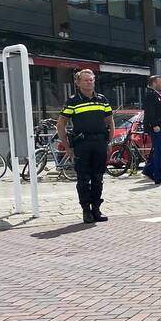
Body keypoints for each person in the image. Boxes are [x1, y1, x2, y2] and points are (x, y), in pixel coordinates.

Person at [57, 69, 114, 224]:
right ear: (78, 83)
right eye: (86, 80)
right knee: (83, 179)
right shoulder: (73, 101)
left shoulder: (102, 99)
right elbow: (61, 124)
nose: (90, 82)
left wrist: (109, 141)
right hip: (82, 144)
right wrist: (67, 147)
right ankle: (86, 211)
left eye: (91, 79)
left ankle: (96, 209)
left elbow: (110, 120)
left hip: (100, 143)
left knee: (98, 177)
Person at [141, 75, 161, 185]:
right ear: (154, 83)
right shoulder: (150, 95)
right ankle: (159, 176)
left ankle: (149, 170)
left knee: (160, 150)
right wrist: (154, 125)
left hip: (160, 128)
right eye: (160, 82)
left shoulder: (155, 94)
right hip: (156, 129)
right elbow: (149, 112)